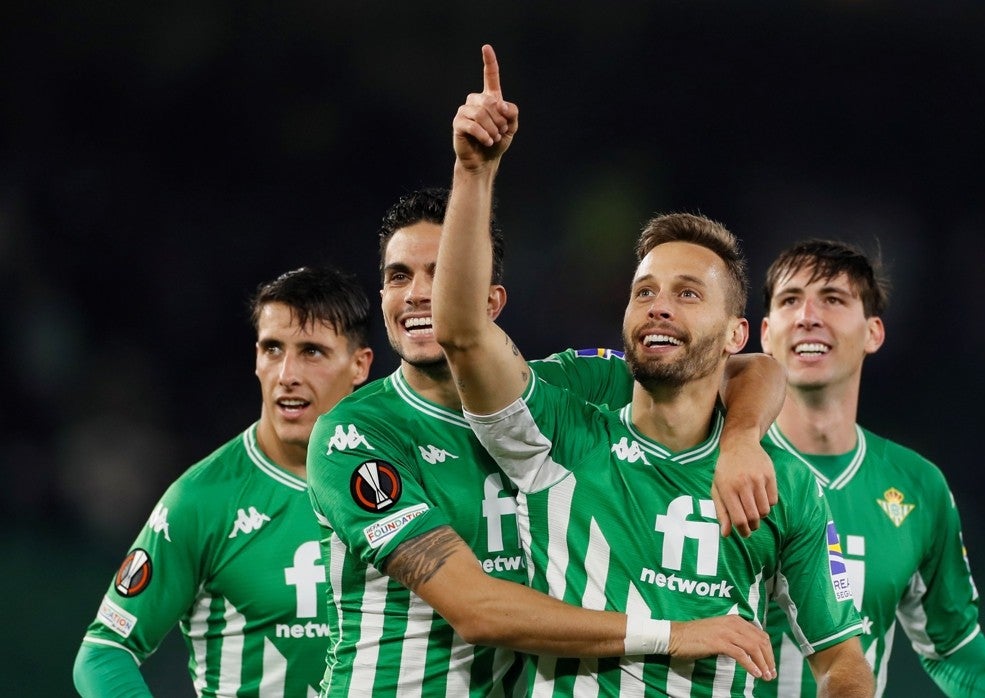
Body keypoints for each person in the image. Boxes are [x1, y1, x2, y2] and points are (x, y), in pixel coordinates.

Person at [434, 44, 874, 697]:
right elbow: (463, 333)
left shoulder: (784, 487)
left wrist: (742, 437)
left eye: (688, 293)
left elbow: (840, 661)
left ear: (736, 335)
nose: (659, 306)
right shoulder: (560, 434)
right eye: (645, 292)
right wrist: (474, 173)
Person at [303, 185, 784, 695]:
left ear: (488, 301)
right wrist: (672, 634)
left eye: (441, 275)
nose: (417, 294)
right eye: (398, 276)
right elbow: (477, 610)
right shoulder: (354, 434)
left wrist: (742, 439)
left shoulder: (555, 395)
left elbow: (750, 368)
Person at [73, 266, 376, 697]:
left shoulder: (397, 479)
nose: (287, 374)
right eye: (273, 349)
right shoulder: (202, 499)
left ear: (359, 365)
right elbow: (104, 653)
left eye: (312, 351)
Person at [754, 238, 985, 698]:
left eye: (833, 299)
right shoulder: (717, 462)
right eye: (789, 301)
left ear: (873, 333)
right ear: (765, 333)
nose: (807, 316)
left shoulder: (918, 486)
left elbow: (952, 646)